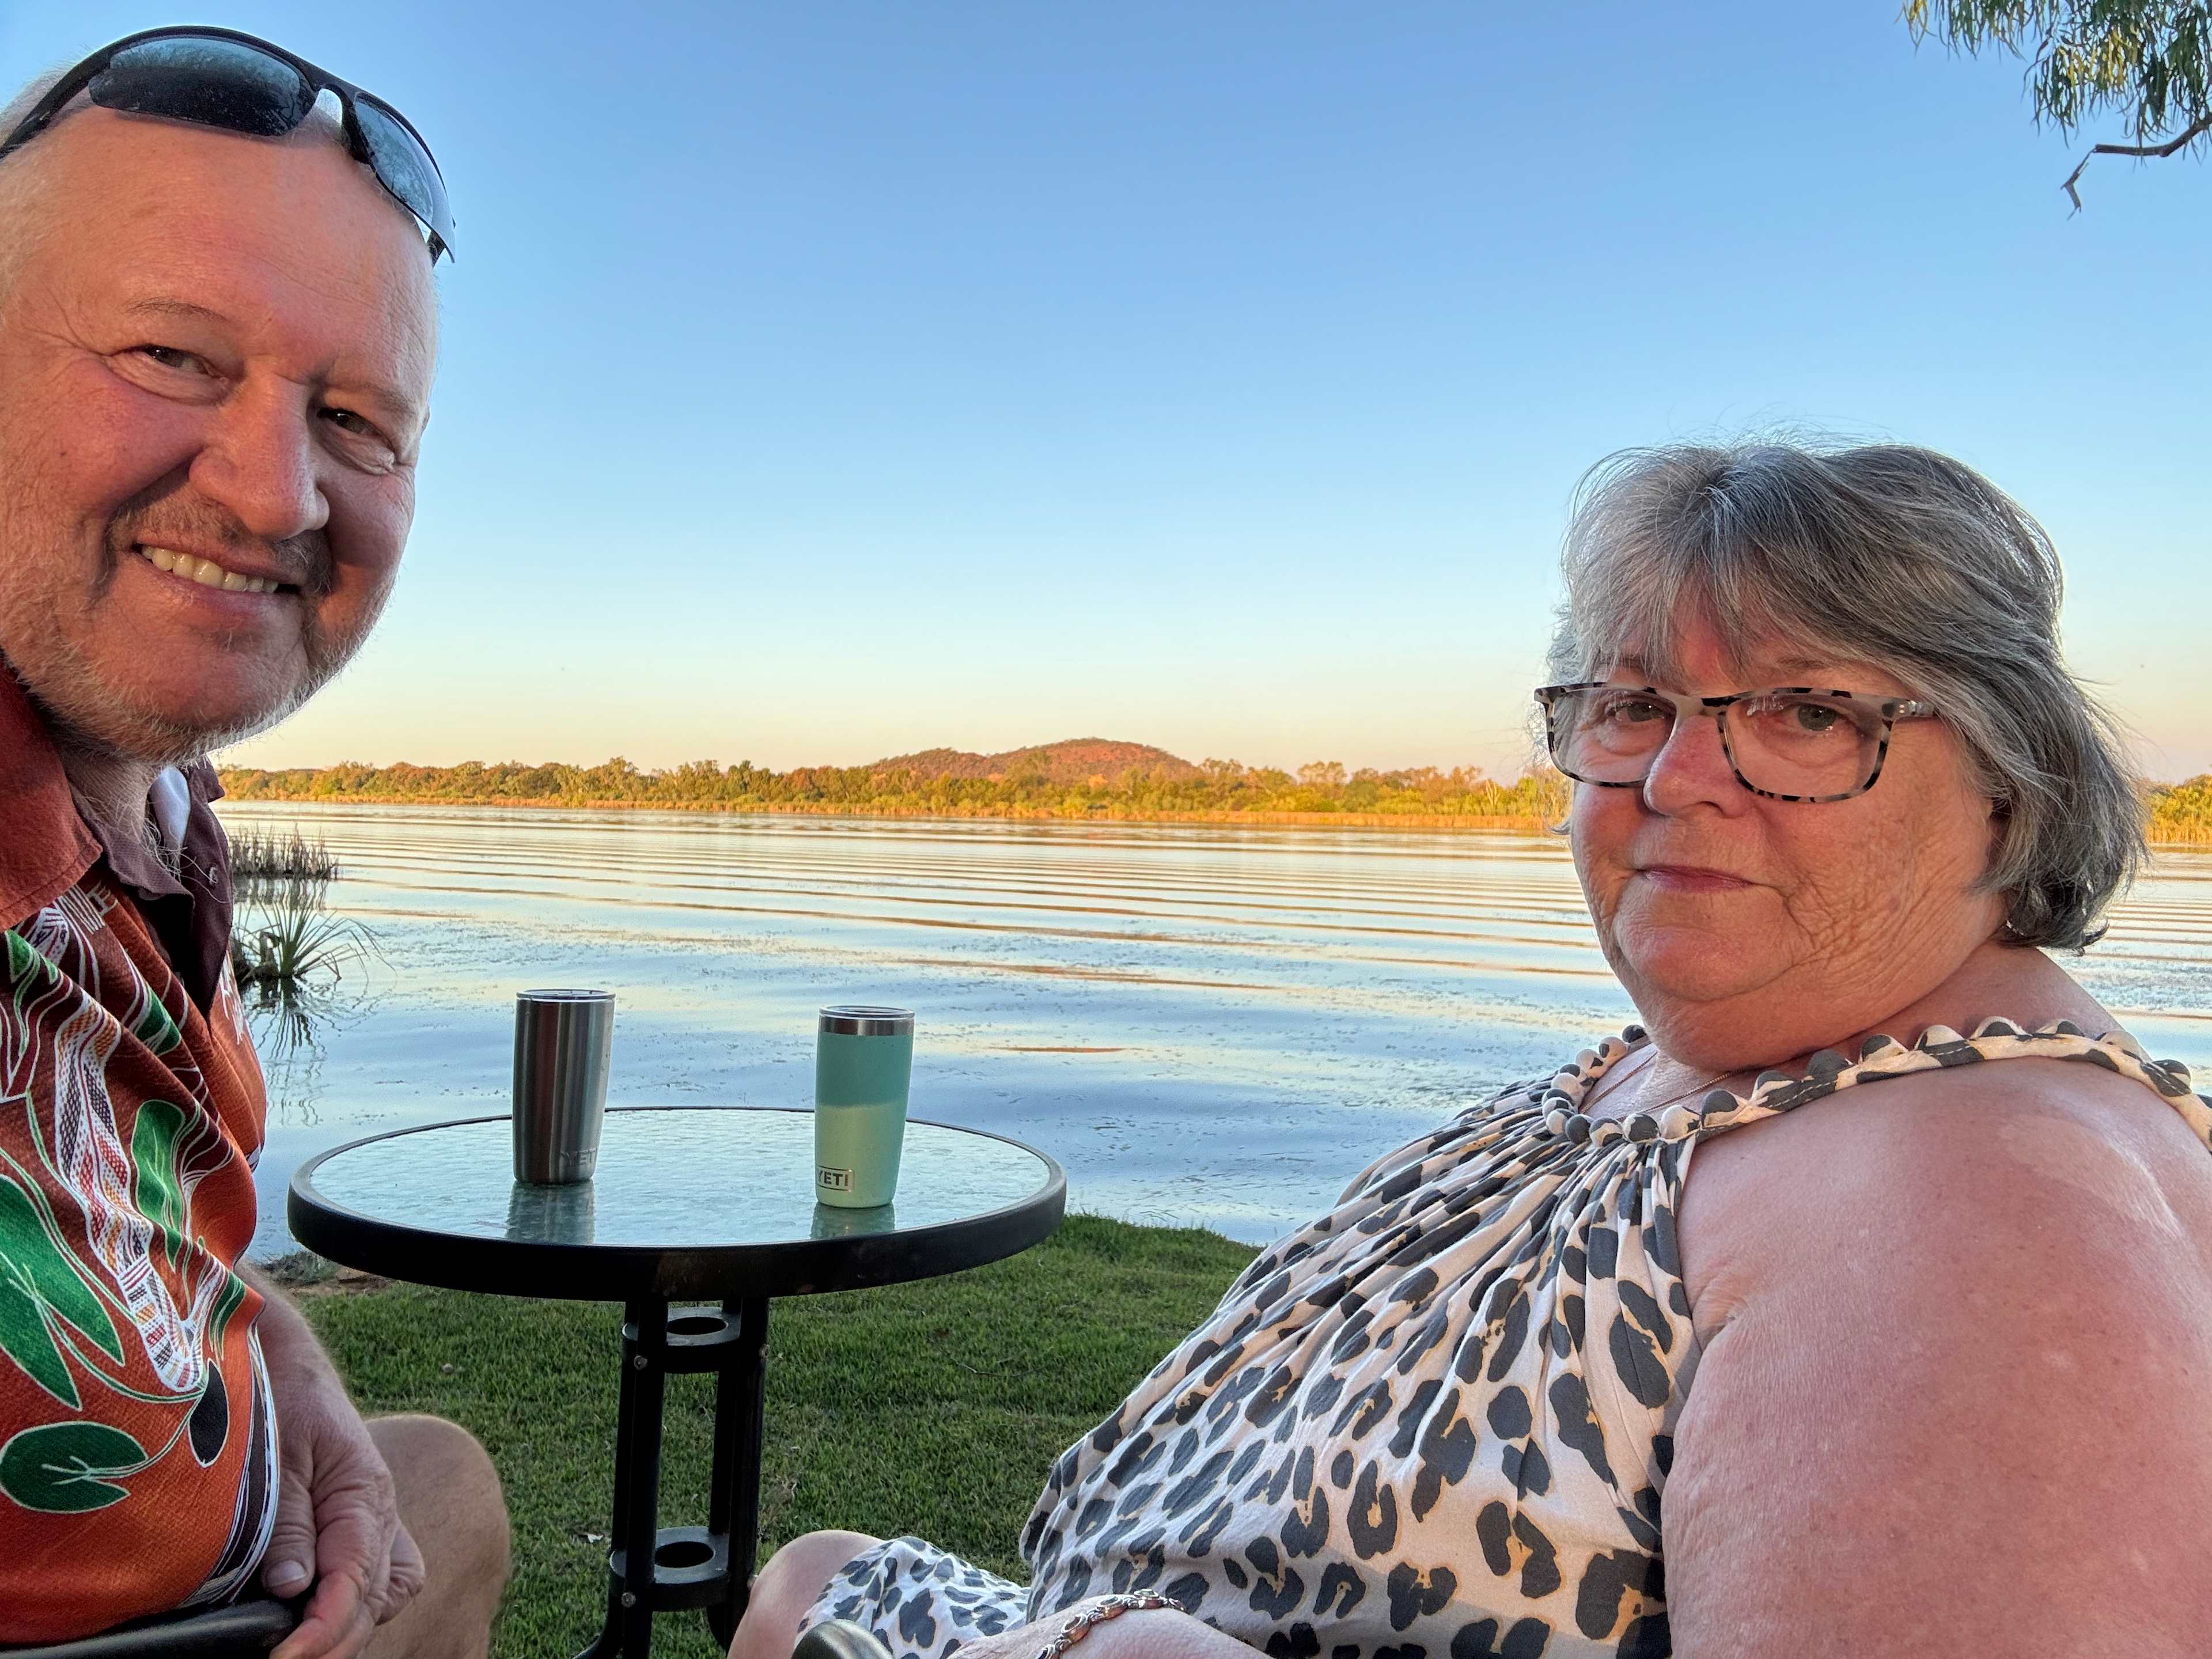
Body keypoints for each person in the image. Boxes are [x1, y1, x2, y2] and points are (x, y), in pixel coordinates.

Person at [734, 441, 2212, 1659]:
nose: (1680, 777)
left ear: (2016, 785)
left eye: (1807, 713)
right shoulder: (1745, 1062)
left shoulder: (1989, 1204)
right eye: (1633, 704)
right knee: (814, 1581)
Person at [0, 28, 506, 1657]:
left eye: (359, 419)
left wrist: (263, 1333)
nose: (277, 490)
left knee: (440, 1486)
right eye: (170, 354)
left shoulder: (160, 828)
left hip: (248, 1596)